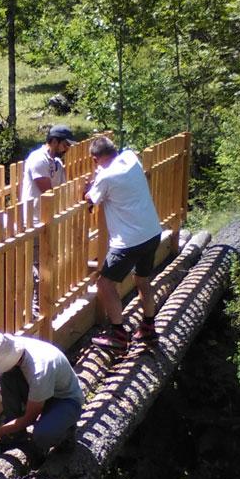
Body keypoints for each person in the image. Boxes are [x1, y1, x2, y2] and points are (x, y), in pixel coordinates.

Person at [84, 136, 162, 354]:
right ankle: (148, 326)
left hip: (129, 242)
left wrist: (90, 186)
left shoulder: (106, 177)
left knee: (105, 284)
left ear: (94, 159)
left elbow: (90, 199)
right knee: (142, 280)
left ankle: (118, 334)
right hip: (152, 232)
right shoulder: (130, 157)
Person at [0, 332, 83, 465]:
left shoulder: (39, 372)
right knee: (6, 377)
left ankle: (66, 433)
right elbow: (3, 373)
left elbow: (29, 418)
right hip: (41, 391)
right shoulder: (9, 347)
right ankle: (16, 436)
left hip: (65, 400)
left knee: (43, 435)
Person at [19, 124, 75, 227]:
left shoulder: (57, 162)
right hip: (35, 221)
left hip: (49, 217)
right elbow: (48, 192)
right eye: (66, 145)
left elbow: (63, 189)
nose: (67, 149)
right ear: (54, 141)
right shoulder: (38, 159)